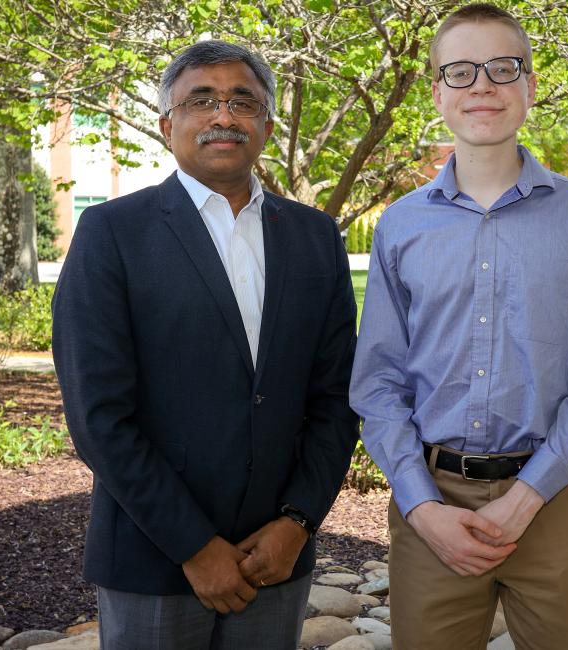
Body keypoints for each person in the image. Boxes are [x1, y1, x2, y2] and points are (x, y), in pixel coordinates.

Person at [52, 40, 359, 650]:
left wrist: (297, 522)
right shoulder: (112, 233)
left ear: (266, 125)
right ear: (168, 125)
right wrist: (195, 547)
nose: (224, 116)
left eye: (242, 101)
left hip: (276, 557)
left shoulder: (315, 237)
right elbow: (98, 416)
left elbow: (335, 398)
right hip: (152, 558)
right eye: (202, 101)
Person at [349, 5, 568, 649]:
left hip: (554, 496)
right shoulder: (401, 225)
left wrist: (526, 499)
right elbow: (378, 383)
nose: (482, 85)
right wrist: (422, 507)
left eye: (502, 68)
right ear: (437, 93)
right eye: (460, 70)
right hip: (432, 505)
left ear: (529, 87)